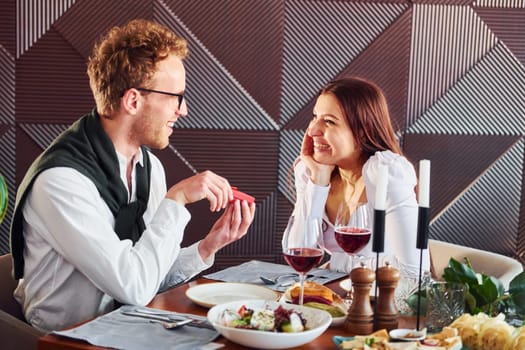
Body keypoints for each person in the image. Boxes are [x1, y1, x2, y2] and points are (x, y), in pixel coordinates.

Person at [9, 19, 256, 332]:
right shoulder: (61, 182)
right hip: (64, 341)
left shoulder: (148, 167)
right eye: (176, 96)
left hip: (123, 329)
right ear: (134, 100)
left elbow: (148, 274)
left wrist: (207, 247)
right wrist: (176, 199)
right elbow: (134, 287)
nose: (184, 110)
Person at [286, 77, 429, 277]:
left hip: (384, 302)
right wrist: (318, 182)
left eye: (329, 121)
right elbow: (299, 254)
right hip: (337, 299)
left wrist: (336, 264)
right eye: (315, 117)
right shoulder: (312, 171)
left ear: (363, 131)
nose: (312, 130)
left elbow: (415, 273)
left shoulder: (386, 173)